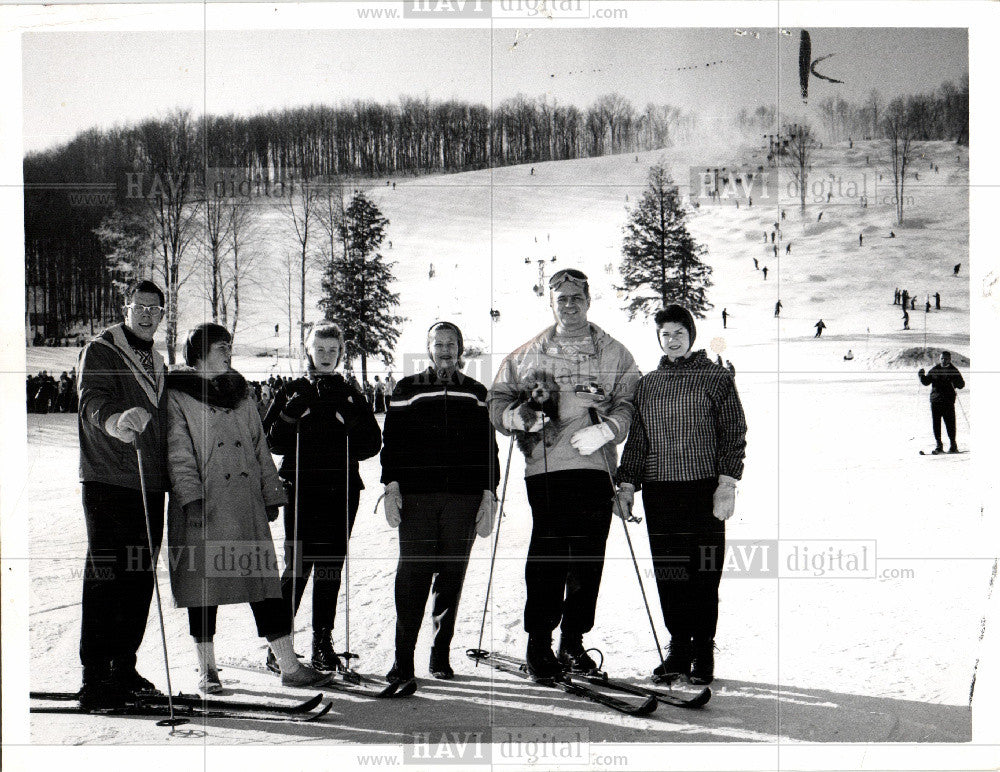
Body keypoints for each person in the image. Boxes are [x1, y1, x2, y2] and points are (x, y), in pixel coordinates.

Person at [488, 268, 640, 680]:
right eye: (562, 299)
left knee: (588, 558)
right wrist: (515, 417)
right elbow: (497, 398)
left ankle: (572, 640)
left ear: (588, 301)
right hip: (547, 466)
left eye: (576, 297)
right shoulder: (527, 354)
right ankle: (539, 642)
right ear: (551, 304)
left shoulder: (614, 353)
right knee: (550, 555)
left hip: (595, 466)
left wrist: (609, 428)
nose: (569, 305)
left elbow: (630, 400)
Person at [166, 323, 330, 693]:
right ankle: (206, 671)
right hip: (203, 507)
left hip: (245, 505)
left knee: (264, 586)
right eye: (221, 346)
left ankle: (288, 665)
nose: (228, 351)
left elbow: (259, 449)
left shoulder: (241, 394)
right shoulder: (177, 396)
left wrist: (271, 495)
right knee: (203, 588)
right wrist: (190, 500)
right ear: (200, 351)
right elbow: (179, 455)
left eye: (229, 345)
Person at [614, 305, 747, 685]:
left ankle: (702, 647)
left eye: (678, 332)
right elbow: (638, 440)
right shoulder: (648, 384)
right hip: (661, 492)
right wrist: (627, 484)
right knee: (671, 572)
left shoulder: (716, 378)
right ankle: (679, 648)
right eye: (665, 334)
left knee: (704, 570)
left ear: (691, 333)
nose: (672, 340)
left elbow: (733, 431)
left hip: (704, 491)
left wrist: (727, 482)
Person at [380, 321, 501, 690]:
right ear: (428, 348)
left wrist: (489, 492)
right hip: (417, 498)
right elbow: (393, 442)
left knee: (450, 577)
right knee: (413, 576)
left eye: (451, 344)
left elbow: (488, 449)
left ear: (460, 349)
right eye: (438, 343)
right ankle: (403, 660)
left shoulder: (477, 392)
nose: (445, 349)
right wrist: (392, 485)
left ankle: (439, 651)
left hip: (463, 499)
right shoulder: (407, 389)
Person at [265, 323, 382, 675]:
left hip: (341, 488)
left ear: (340, 353)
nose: (326, 356)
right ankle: (279, 646)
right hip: (301, 487)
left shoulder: (350, 393)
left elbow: (371, 445)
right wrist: (288, 414)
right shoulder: (292, 390)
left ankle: (322, 641)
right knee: (298, 566)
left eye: (333, 350)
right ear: (308, 350)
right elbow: (272, 442)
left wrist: (351, 423)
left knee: (330, 565)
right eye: (320, 349)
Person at [76, 280, 169, 711]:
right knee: (107, 574)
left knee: (138, 577)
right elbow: (91, 398)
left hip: (148, 483)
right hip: (109, 478)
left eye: (156, 309)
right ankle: (95, 675)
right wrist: (114, 420)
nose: (148, 315)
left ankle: (123, 666)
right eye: (140, 307)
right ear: (125, 306)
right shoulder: (102, 349)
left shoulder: (159, 360)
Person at [919, 351, 965, 454]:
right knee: (936, 424)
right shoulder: (935, 369)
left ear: (950, 359)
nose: (944, 360)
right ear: (940, 359)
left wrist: (955, 382)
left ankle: (953, 445)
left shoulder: (954, 370)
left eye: (946, 359)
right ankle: (939, 445)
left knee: (950, 424)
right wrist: (921, 376)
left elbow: (962, 384)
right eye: (942, 358)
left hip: (948, 401)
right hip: (935, 400)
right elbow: (926, 382)